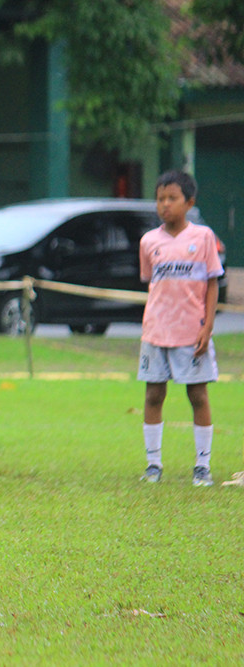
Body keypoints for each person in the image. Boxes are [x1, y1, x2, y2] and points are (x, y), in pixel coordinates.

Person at [138, 170, 224, 487]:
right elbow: (152, 284)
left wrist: (208, 327)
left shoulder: (203, 238)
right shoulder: (149, 241)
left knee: (198, 396)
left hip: (192, 331)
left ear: (189, 202)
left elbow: (212, 284)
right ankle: (153, 464)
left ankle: (202, 466)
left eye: (172, 198)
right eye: (160, 199)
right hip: (156, 331)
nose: (165, 205)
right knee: (153, 394)